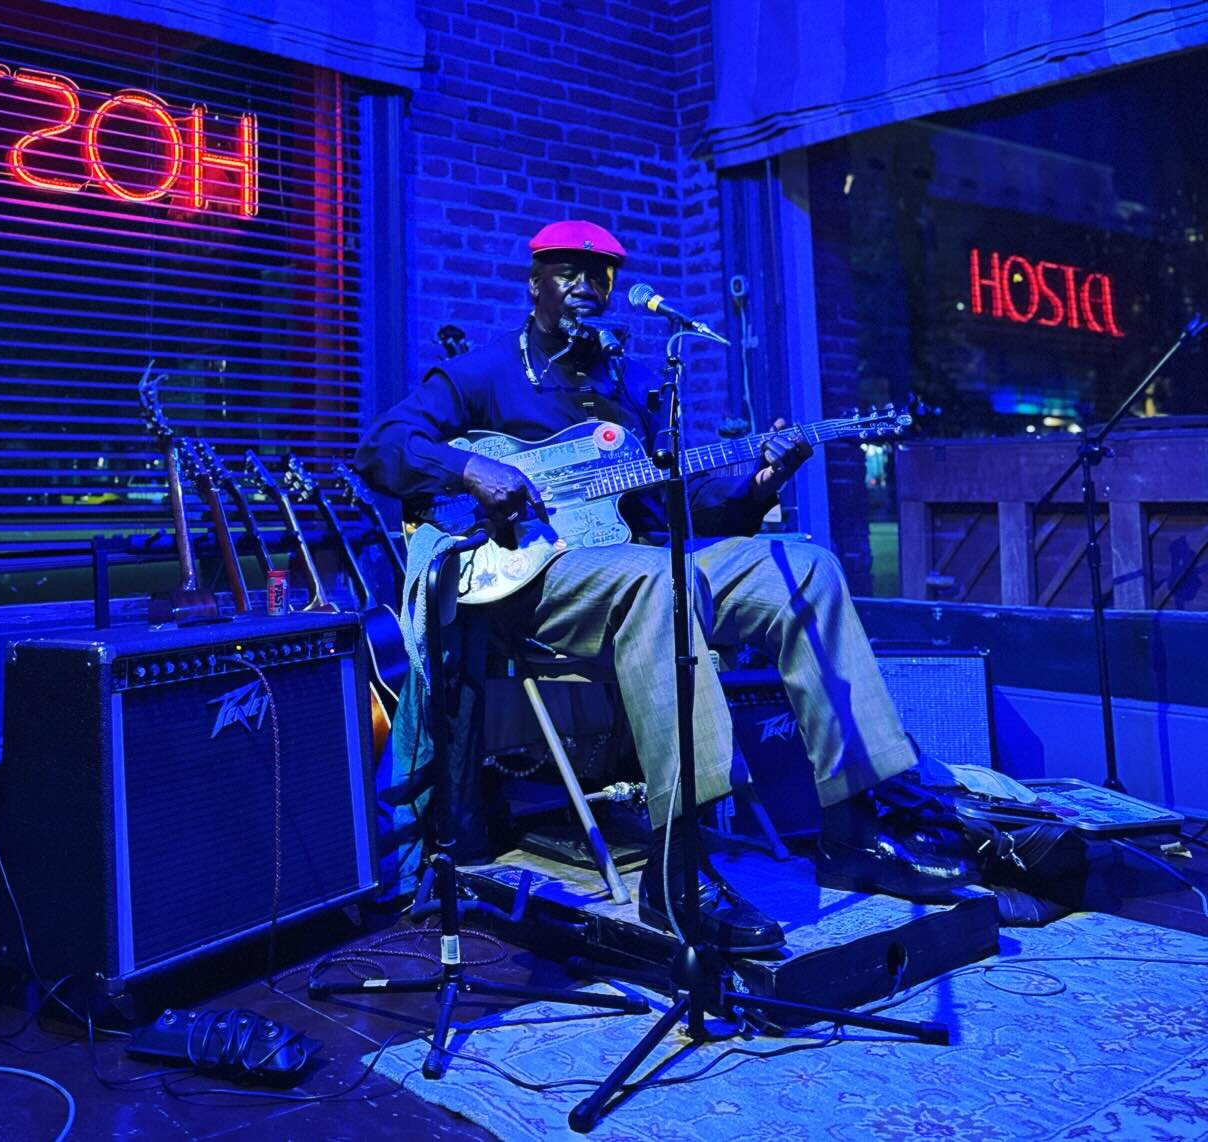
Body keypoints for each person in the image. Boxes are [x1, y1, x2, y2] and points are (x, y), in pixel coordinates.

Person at [354, 220, 975, 956]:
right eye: (569, 270)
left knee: (804, 567)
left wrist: (764, 479)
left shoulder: (634, 388)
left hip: (631, 572)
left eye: (602, 274)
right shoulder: (486, 372)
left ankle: (857, 821)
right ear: (535, 284)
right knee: (662, 578)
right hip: (526, 585)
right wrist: (472, 472)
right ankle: (679, 867)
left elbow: (684, 509)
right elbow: (383, 447)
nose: (588, 283)